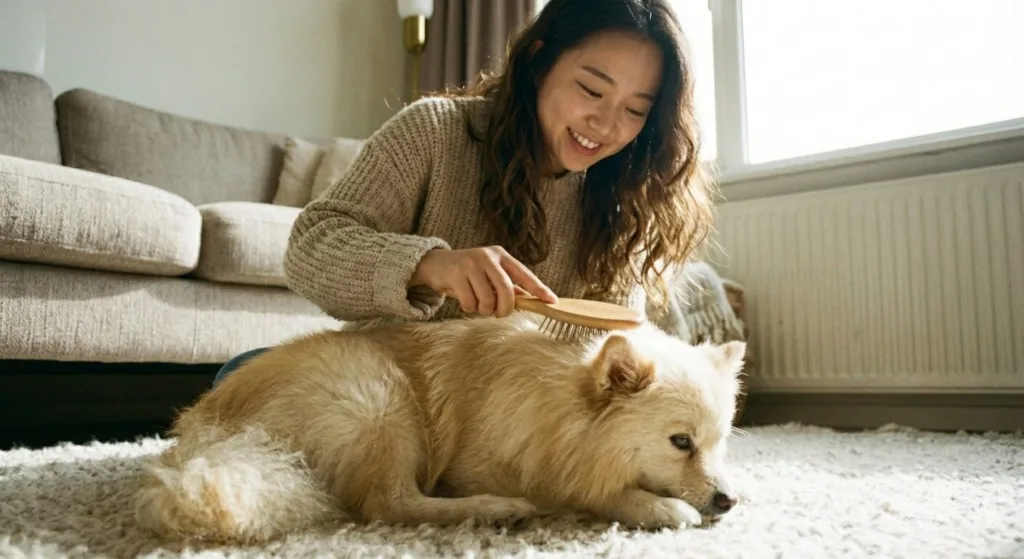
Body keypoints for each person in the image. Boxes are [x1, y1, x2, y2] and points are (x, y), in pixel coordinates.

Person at [213, 0, 718, 385]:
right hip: (384, 386)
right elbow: (310, 249)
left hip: (504, 421)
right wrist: (432, 266)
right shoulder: (434, 132)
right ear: (540, 62)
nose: (606, 125)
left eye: (635, 110)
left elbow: (607, 352)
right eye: (591, 90)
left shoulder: (620, 196)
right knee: (242, 380)